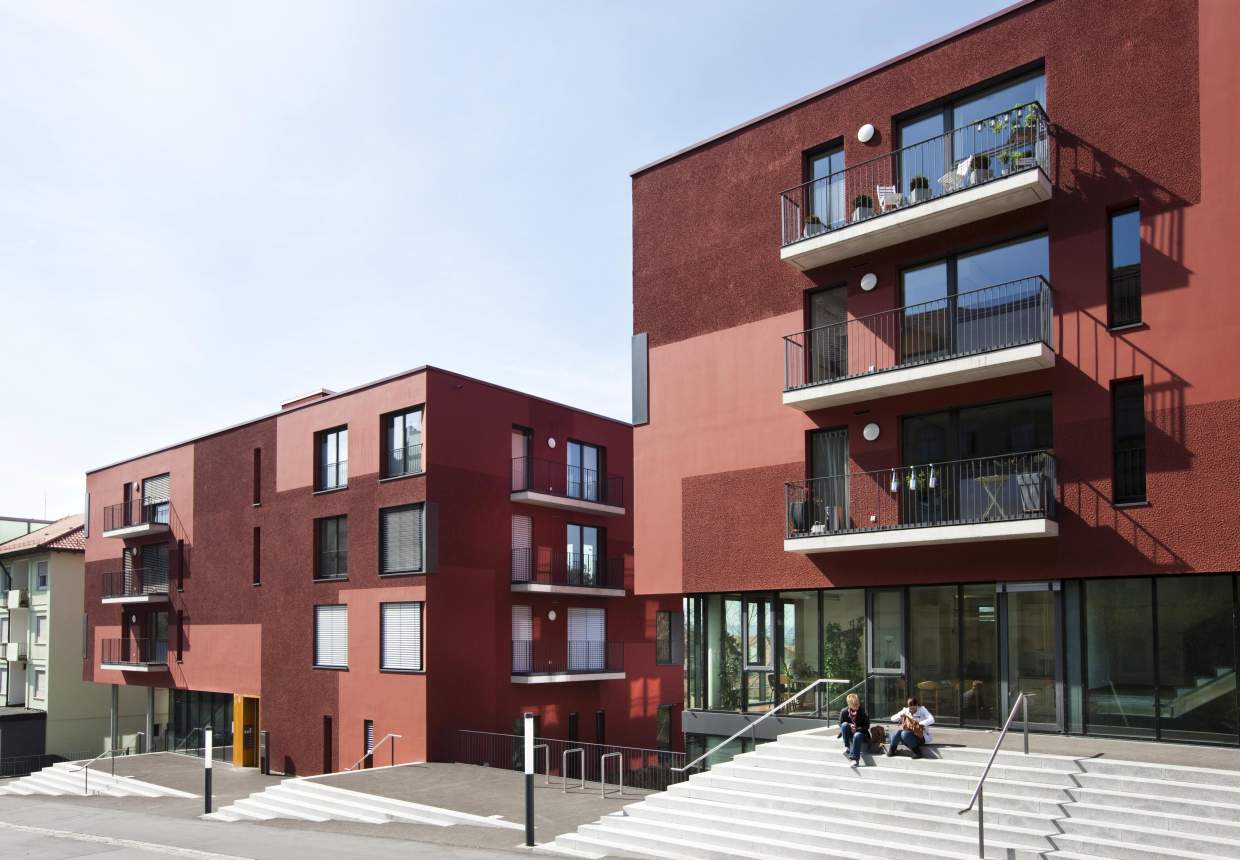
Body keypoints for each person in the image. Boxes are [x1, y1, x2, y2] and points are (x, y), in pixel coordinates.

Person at [838, 692, 870, 767]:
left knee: (857, 735)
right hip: (849, 733)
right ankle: (846, 746)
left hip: (861, 733)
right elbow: (840, 723)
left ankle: (855, 759)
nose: (857, 705)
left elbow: (866, 726)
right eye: (855, 704)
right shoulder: (844, 712)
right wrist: (849, 725)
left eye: (858, 703)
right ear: (849, 705)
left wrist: (857, 729)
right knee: (844, 725)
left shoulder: (863, 712)